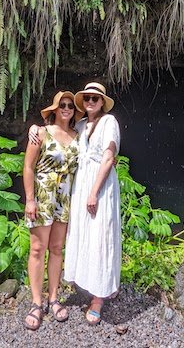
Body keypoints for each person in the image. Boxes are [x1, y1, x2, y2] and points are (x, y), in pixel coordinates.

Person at [22, 90, 82, 331]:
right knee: (37, 249)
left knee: (57, 248)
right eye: (62, 104)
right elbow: (28, 167)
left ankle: (54, 298)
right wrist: (29, 199)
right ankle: (36, 303)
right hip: (43, 196)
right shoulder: (41, 133)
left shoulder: (78, 135)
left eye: (70, 105)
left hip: (65, 198)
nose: (67, 108)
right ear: (55, 109)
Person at [63, 81, 121, 325]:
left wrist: (94, 192)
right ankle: (86, 282)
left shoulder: (110, 122)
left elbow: (108, 158)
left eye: (94, 99)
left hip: (100, 185)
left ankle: (99, 297)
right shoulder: (80, 124)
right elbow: (59, 131)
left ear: (102, 102)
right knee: (82, 232)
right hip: (81, 183)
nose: (89, 102)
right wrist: (36, 127)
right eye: (86, 98)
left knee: (100, 235)